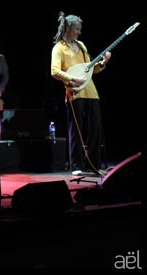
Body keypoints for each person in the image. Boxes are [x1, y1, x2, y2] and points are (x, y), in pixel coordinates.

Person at [50, 13, 110, 175]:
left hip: (91, 91)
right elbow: (54, 71)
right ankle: (76, 165)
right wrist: (71, 78)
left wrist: (102, 63)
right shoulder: (59, 48)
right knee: (76, 130)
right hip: (74, 93)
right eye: (77, 29)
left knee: (95, 128)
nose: (79, 32)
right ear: (68, 28)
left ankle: (93, 164)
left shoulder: (82, 45)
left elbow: (90, 69)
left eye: (80, 29)